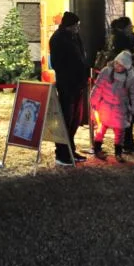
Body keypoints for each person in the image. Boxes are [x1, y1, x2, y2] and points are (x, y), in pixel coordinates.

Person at [49, 12, 89, 165]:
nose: (78, 28)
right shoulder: (58, 39)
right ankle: (62, 153)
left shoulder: (74, 37)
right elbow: (58, 63)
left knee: (75, 119)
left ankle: (71, 150)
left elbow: (80, 56)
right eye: (76, 25)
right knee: (66, 118)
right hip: (67, 85)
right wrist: (71, 74)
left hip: (78, 84)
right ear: (69, 25)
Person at [107, 16, 134, 153]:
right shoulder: (122, 41)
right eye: (130, 26)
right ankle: (125, 142)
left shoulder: (124, 39)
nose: (132, 28)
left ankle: (126, 141)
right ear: (124, 27)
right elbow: (131, 59)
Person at [90, 50, 134, 163]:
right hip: (105, 106)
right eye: (117, 63)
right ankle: (97, 149)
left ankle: (118, 153)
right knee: (101, 128)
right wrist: (94, 101)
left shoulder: (130, 77)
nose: (118, 66)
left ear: (126, 67)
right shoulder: (106, 71)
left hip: (120, 107)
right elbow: (98, 87)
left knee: (119, 131)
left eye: (121, 65)